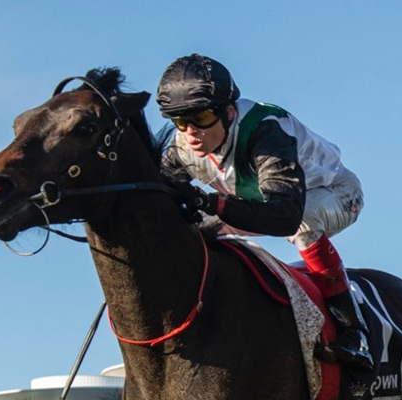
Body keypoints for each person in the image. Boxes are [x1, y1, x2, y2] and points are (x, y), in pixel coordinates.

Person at [156, 53, 372, 372]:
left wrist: (210, 202)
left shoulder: (266, 130)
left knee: (300, 224)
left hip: (332, 193)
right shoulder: (182, 148)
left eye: (201, 118)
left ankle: (352, 330)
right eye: (179, 120)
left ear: (229, 112)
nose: (190, 132)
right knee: (192, 230)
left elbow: (282, 215)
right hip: (259, 203)